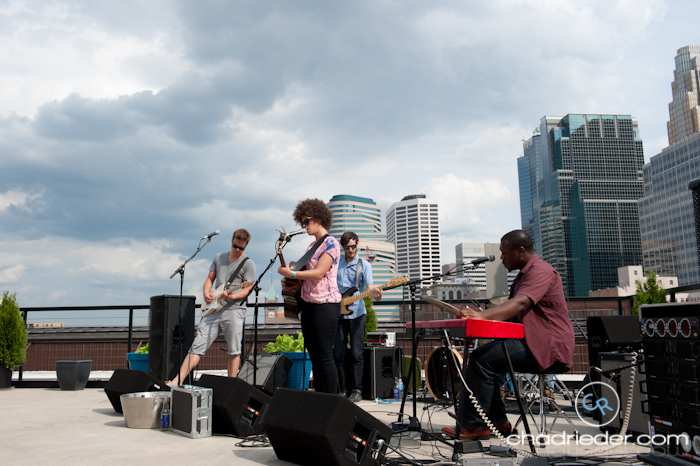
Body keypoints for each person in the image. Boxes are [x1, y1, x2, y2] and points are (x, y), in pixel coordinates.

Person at [442, 229, 574, 439]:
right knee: (484, 357)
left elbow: (520, 303)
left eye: (504, 253)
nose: (501, 258)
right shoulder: (523, 277)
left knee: (480, 360)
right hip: (532, 341)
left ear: (520, 251)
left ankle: (476, 425)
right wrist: (481, 329)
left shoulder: (540, 271)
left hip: (547, 346)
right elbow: (513, 318)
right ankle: (498, 422)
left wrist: (481, 316)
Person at [170, 229, 256, 385]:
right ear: (231, 240)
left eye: (241, 248)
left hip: (234, 310)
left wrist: (233, 296)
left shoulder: (248, 263)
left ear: (246, 245)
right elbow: (209, 279)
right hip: (213, 309)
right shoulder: (219, 257)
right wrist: (205, 292)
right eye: (235, 246)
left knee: (234, 349)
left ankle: (230, 386)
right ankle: (177, 381)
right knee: (197, 345)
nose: (237, 250)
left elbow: (247, 288)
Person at [277, 199, 342, 394]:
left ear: (318, 218)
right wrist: (292, 280)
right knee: (315, 356)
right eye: (302, 222)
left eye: (306, 221)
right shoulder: (310, 247)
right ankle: (321, 399)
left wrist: (292, 274)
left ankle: (332, 402)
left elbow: (319, 273)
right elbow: (306, 276)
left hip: (326, 305)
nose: (304, 226)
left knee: (324, 357)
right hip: (309, 306)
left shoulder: (331, 243)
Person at [334, 231, 382, 402]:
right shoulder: (336, 264)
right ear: (343, 247)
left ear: (358, 244)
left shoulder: (364, 265)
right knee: (338, 354)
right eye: (348, 247)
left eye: (354, 246)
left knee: (356, 354)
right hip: (337, 314)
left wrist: (376, 293)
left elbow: (370, 286)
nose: (351, 250)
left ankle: (357, 390)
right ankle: (341, 389)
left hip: (357, 314)